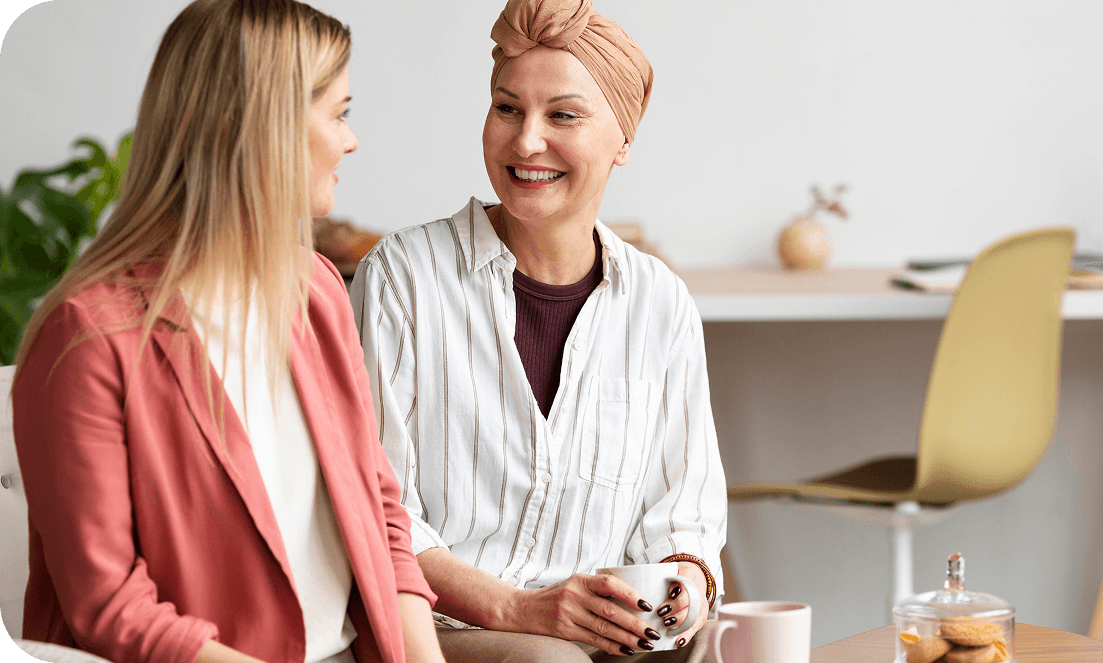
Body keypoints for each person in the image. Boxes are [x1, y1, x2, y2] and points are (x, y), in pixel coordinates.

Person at [11, 2, 445, 663]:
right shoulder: (87, 337)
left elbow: (380, 507)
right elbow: (110, 605)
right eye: (339, 113)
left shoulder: (318, 289)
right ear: (263, 129)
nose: (350, 141)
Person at [348, 0, 727, 660]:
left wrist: (681, 593)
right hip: (441, 628)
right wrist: (523, 610)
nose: (526, 141)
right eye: (506, 108)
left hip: (598, 637)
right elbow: (378, 512)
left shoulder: (659, 303)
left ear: (624, 141)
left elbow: (685, 517)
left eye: (563, 115)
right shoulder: (403, 277)